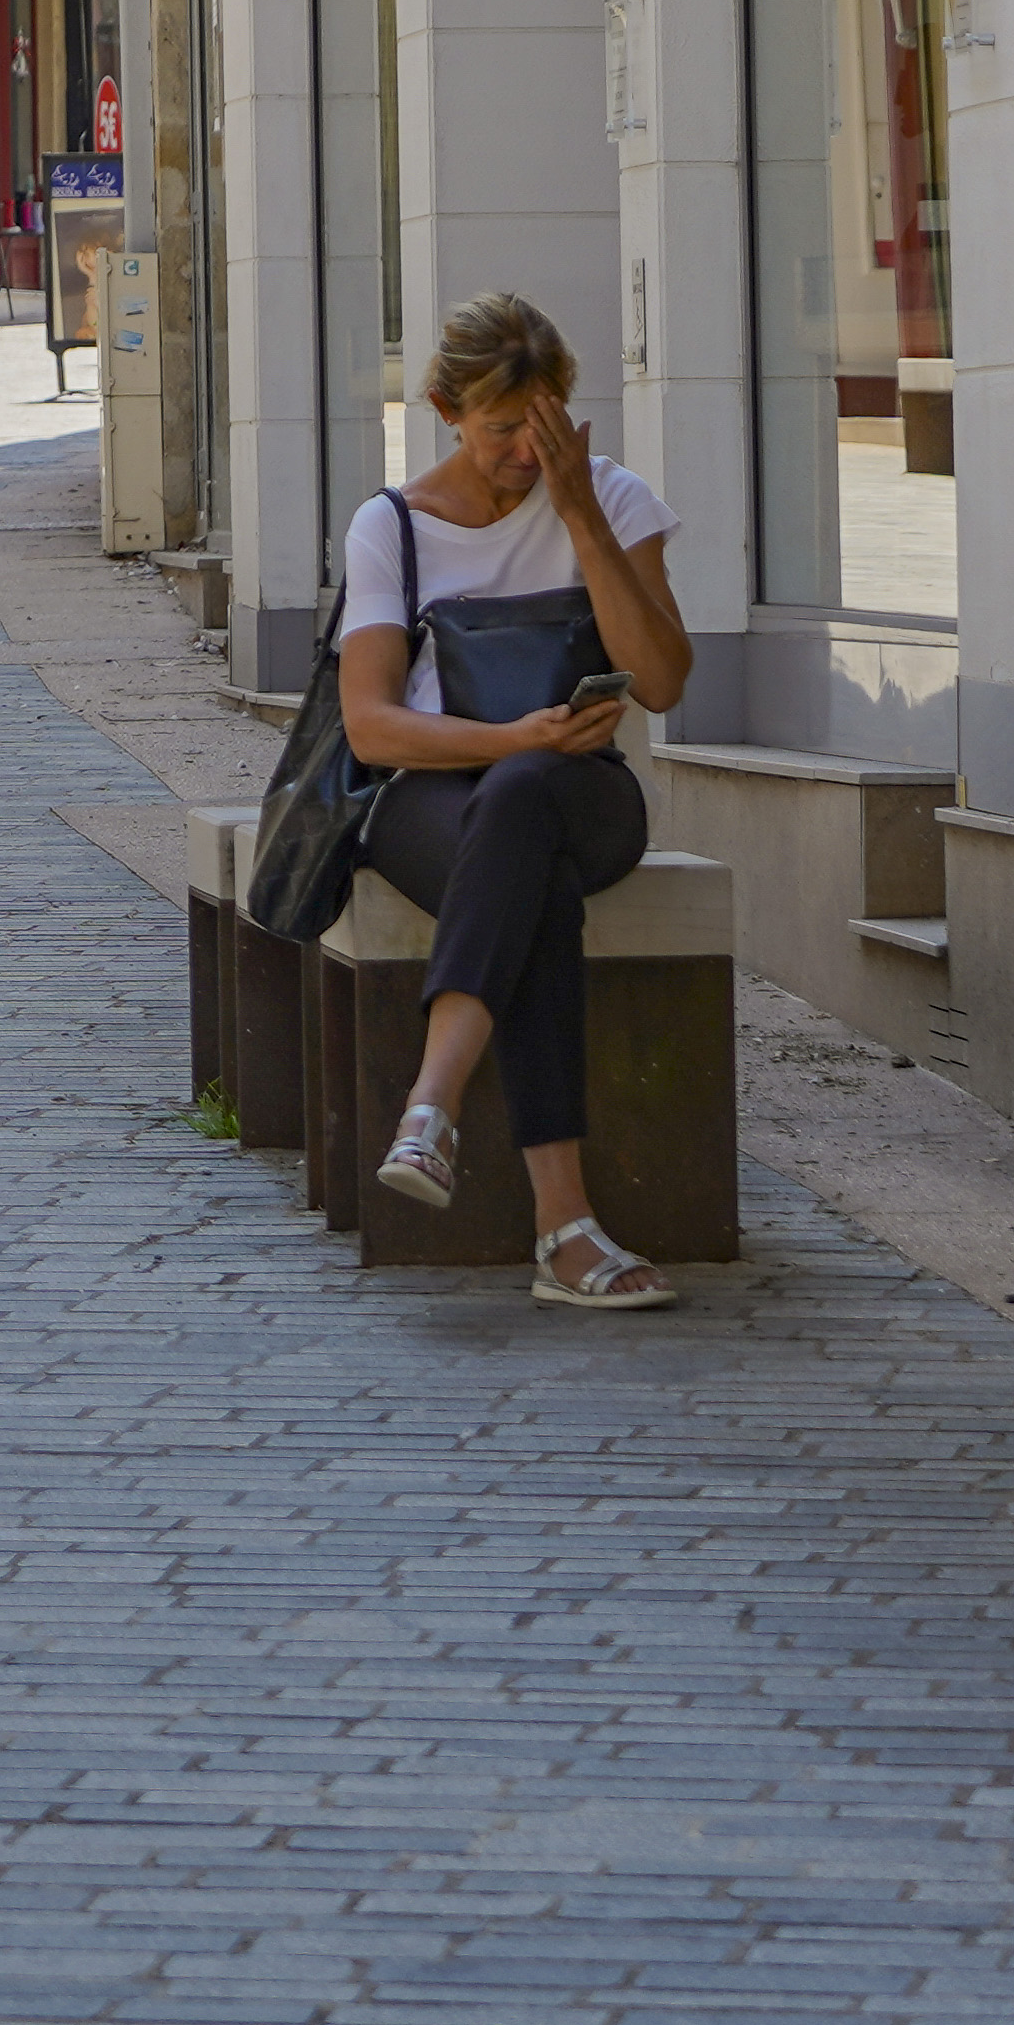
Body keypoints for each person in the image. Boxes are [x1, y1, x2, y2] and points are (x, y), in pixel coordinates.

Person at [335, 290, 698, 1309]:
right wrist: (511, 737)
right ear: (448, 408)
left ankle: (432, 1098)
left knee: (532, 798)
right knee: (523, 864)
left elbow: (663, 681)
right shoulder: (393, 527)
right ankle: (566, 1230)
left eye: (543, 428)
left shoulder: (610, 498)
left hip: (583, 794)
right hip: (433, 801)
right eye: (501, 431)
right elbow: (371, 725)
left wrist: (579, 514)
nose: (524, 456)